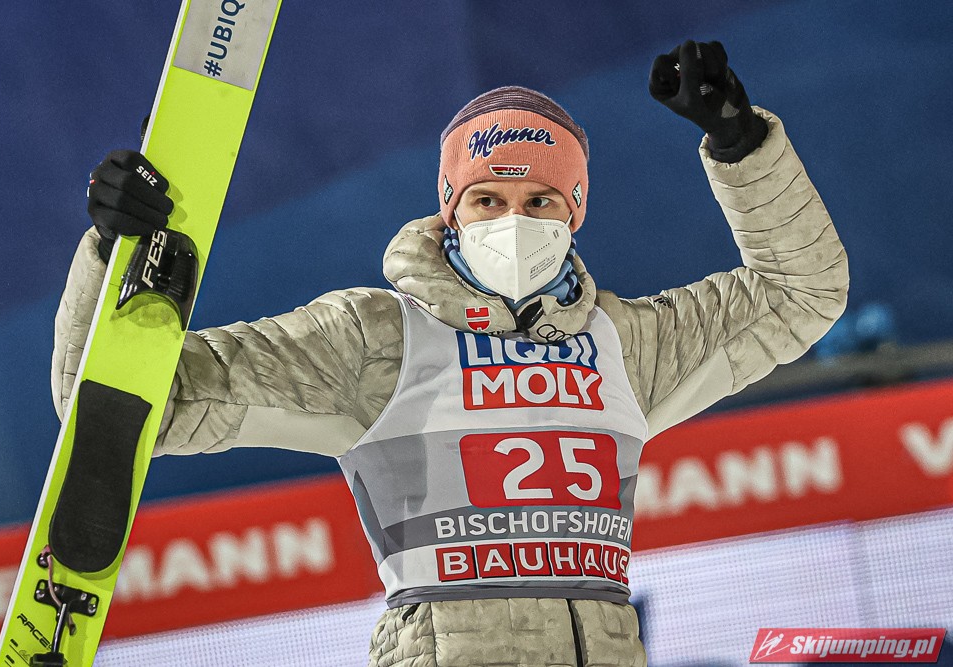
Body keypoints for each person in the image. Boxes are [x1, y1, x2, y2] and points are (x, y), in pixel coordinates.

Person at [54, 40, 848, 666]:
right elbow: (131, 404)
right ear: (451, 207)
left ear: (575, 209)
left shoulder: (625, 343)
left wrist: (743, 146)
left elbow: (803, 291)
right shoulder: (374, 340)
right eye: (488, 199)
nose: (514, 220)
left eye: (540, 200)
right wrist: (110, 254)